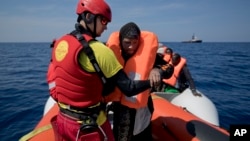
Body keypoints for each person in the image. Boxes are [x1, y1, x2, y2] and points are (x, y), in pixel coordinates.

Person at [46, 1, 160, 141]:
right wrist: (152, 82)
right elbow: (129, 88)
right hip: (88, 126)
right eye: (104, 20)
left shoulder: (60, 42)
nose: (106, 27)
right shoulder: (100, 51)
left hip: (63, 119)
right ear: (88, 16)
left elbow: (54, 78)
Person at [104, 22, 173, 141]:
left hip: (142, 108)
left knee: (142, 136)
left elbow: (169, 68)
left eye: (135, 43)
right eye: (127, 43)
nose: (131, 46)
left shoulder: (150, 57)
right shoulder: (112, 55)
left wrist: (158, 71)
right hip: (120, 108)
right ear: (120, 40)